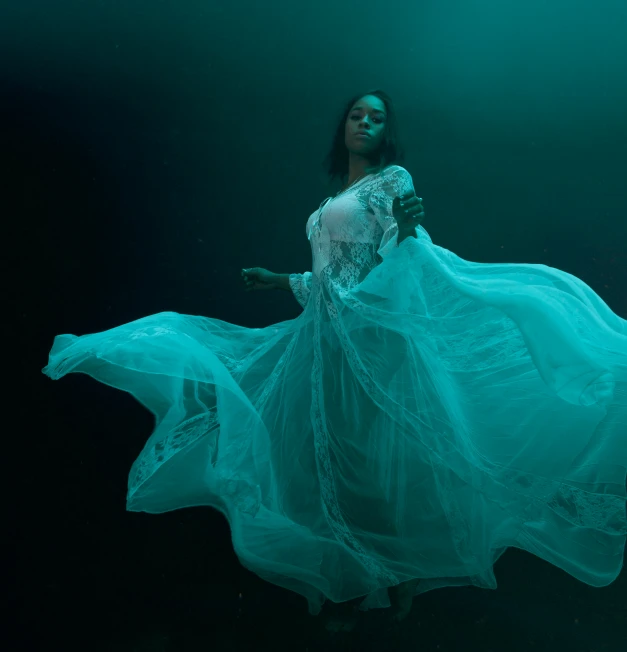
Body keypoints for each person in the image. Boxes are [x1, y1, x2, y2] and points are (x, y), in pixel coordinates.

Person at [43, 90, 627, 632]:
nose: (365, 122)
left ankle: (397, 573)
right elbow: (331, 275)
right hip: (324, 337)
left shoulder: (390, 182)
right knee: (327, 451)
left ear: (386, 132)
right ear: (343, 126)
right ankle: (358, 575)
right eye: (356, 114)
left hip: (370, 338)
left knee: (374, 454)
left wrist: (407, 228)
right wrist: (280, 280)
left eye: (376, 117)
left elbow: (396, 254)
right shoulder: (331, 201)